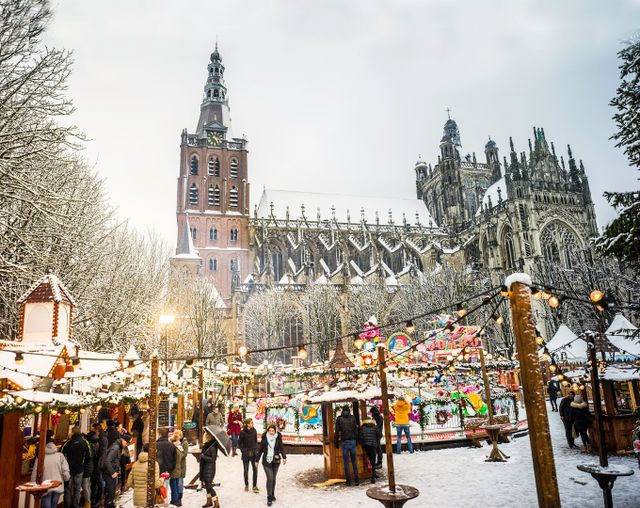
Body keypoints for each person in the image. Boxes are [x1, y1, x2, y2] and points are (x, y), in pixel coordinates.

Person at [32, 438, 71, 508]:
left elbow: (35, 471)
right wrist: (66, 479)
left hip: (45, 486)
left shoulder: (40, 457)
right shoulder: (60, 456)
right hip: (58, 485)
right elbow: (65, 471)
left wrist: (33, 483)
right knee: (54, 505)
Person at [257, 423, 287, 506]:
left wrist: (284, 457)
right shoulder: (264, 439)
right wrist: (257, 460)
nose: (271, 432)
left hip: (276, 461)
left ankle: (272, 494)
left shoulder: (278, 438)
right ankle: (269, 497)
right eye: (269, 431)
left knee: (273, 478)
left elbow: (282, 448)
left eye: (272, 431)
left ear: (275, 431)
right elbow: (260, 450)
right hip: (266, 461)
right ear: (267, 431)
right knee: (270, 478)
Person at [61, 426, 91, 508]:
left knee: (68, 488)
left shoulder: (68, 442)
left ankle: (67, 505)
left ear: (73, 432)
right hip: (79, 469)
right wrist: (82, 462)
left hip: (69, 469)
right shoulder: (85, 442)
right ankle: (75, 505)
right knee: (77, 489)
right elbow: (89, 456)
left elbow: (61, 454)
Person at [127, 443, 163, 508]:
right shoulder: (153, 464)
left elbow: (129, 483)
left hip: (137, 498)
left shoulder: (136, 463)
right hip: (148, 498)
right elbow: (156, 484)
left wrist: (138, 487)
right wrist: (162, 479)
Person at [100, 433, 130, 508]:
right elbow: (107, 460)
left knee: (111, 491)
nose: (126, 445)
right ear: (123, 440)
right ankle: (108, 505)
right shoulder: (116, 447)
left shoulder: (118, 446)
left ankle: (109, 504)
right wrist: (112, 472)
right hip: (108, 473)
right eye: (126, 442)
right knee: (110, 491)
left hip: (111, 472)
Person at [334, 405, 359, 486]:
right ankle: (357, 480)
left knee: (346, 462)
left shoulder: (339, 418)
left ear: (342, 410)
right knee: (354, 461)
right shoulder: (353, 418)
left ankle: (348, 481)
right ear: (349, 410)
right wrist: (357, 441)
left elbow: (337, 431)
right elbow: (356, 430)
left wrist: (336, 442)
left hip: (344, 442)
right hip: (352, 441)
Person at [238, 418, 259, 492]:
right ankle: (246, 485)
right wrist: (243, 451)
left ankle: (254, 486)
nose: (252, 424)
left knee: (255, 470)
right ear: (247, 424)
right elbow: (239, 443)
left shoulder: (254, 430)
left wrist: (256, 449)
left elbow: (256, 441)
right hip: (246, 454)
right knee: (246, 470)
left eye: (252, 423)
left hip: (254, 453)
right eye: (250, 423)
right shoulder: (242, 432)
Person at [360, 414, 382, 483]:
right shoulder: (374, 427)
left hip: (366, 446)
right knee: (373, 461)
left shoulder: (362, 428)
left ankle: (371, 473)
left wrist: (363, 443)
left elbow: (360, 436)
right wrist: (376, 440)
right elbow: (380, 435)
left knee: (368, 459)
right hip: (373, 446)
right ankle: (373, 476)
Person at [200, 433, 220, 508]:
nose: (204, 437)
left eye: (205, 436)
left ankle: (216, 502)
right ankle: (209, 501)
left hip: (210, 468)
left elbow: (213, 459)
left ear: (208, 437)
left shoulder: (212, 446)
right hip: (205, 468)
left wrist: (203, 457)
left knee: (209, 485)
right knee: (207, 486)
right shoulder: (207, 446)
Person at [169, 429, 189, 506]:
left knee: (180, 483)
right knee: (175, 483)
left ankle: (179, 499)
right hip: (175, 466)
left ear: (181, 436)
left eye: (178, 435)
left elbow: (184, 455)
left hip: (181, 466)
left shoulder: (184, 443)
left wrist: (178, 450)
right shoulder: (173, 442)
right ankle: (176, 499)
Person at [90, 422, 108, 506]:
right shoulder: (102, 437)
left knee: (98, 481)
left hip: (99, 463)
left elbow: (102, 453)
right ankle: (94, 498)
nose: (93, 431)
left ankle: (99, 498)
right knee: (96, 481)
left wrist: (99, 464)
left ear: (97, 430)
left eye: (93, 430)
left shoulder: (101, 438)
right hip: (98, 462)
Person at [82, 430, 99, 508]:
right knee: (88, 484)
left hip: (87, 467)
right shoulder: (96, 443)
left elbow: (86, 457)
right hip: (91, 466)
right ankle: (90, 500)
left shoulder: (90, 445)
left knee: (86, 485)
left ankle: (87, 502)